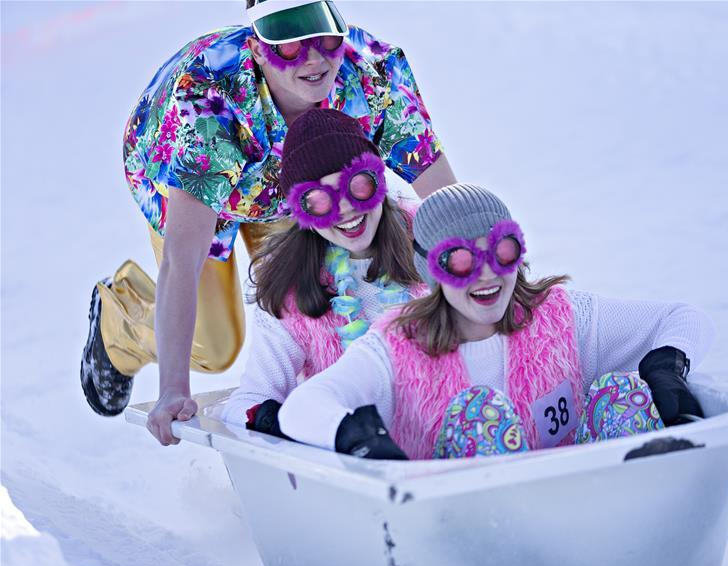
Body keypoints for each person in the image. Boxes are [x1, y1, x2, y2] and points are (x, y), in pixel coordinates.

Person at [79, 0, 456, 446]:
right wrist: (174, 388)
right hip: (198, 179)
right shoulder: (207, 101)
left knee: (311, 308)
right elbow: (183, 259)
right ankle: (123, 319)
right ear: (259, 50)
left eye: (324, 38)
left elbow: (450, 205)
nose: (314, 60)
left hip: (302, 193)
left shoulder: (371, 73)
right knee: (217, 346)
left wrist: (501, 301)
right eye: (289, 48)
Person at [262, 184, 714, 460]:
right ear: (429, 271)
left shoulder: (560, 317)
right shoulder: (397, 347)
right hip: (465, 540)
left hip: (585, 521)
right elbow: (303, 406)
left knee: (626, 394)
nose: (486, 273)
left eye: (501, 252)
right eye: (459, 259)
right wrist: (356, 435)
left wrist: (667, 366)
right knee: (482, 416)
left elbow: (681, 317)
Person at [210, 108, 426, 460]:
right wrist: (318, 427)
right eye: (320, 200)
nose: (344, 209)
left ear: (378, 181)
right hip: (361, 473)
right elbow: (245, 402)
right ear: (303, 211)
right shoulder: (292, 289)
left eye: (357, 185)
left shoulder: (432, 240)